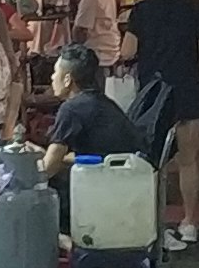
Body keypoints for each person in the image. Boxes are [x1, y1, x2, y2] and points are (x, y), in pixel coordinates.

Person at [119, 0, 199, 249]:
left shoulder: (143, 9)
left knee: (152, 163)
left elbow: (126, 52)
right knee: (188, 161)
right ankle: (189, 222)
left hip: (152, 94)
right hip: (187, 88)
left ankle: (153, 222)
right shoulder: (196, 8)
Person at [33, 43, 146, 193]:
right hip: (131, 177)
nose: (52, 77)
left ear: (67, 79)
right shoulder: (102, 102)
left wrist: (30, 161)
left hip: (107, 186)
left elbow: (48, 169)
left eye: (55, 72)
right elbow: (94, 152)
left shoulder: (71, 109)